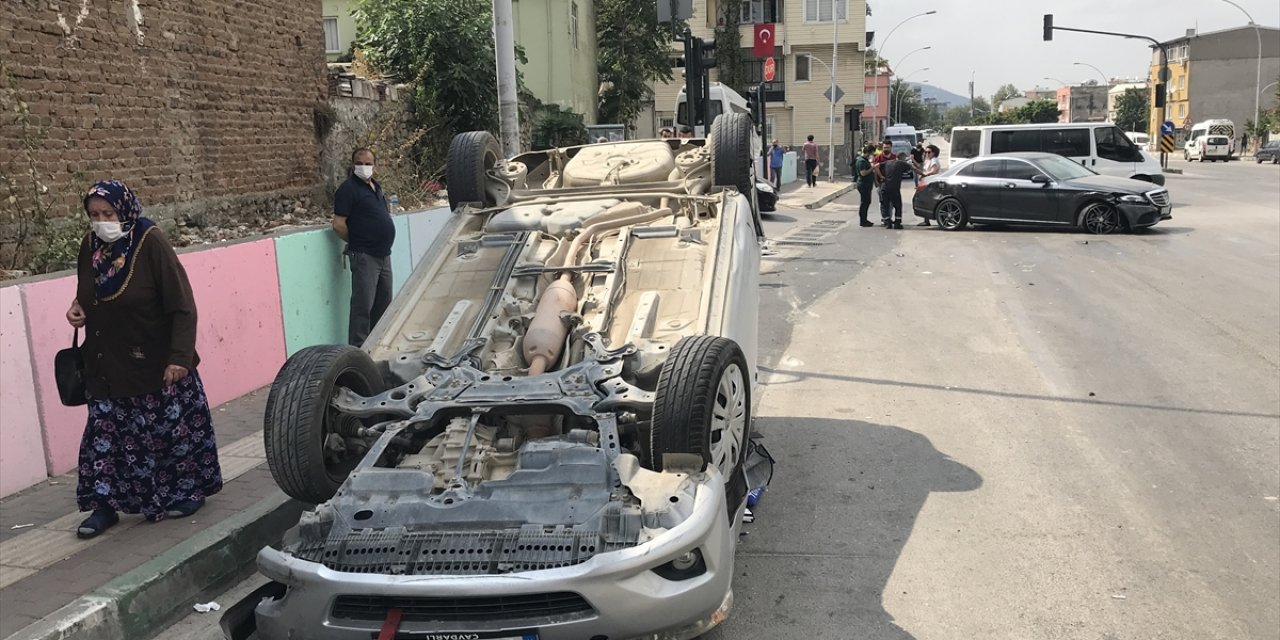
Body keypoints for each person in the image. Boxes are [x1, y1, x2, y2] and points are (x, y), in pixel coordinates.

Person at [65, 180, 223, 538]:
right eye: (94, 215)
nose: (101, 221)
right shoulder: (90, 247)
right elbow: (88, 294)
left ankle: (186, 492)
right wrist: (78, 309)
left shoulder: (150, 242)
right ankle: (103, 507)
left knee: (168, 437)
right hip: (106, 365)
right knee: (104, 438)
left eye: (108, 213)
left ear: (125, 210)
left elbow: (183, 305)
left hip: (155, 364)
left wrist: (179, 358)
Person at [333, 147, 396, 346]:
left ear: (374, 166)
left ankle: (377, 345)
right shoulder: (348, 190)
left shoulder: (377, 188)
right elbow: (338, 224)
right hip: (364, 255)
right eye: (359, 163)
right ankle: (358, 349)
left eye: (368, 164)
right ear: (353, 165)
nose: (363, 167)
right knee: (363, 306)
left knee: (383, 304)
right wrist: (356, 242)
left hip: (384, 255)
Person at [874, 152, 913, 229]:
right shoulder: (902, 163)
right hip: (894, 188)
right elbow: (913, 168)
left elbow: (875, 166)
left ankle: (888, 222)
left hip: (884, 187)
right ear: (904, 159)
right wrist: (923, 173)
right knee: (897, 205)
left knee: (885, 205)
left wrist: (881, 176)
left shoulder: (888, 162)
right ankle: (897, 223)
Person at [914, 145, 943, 226]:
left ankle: (928, 220)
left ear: (934, 153)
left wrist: (924, 174)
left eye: (929, 152)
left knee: (928, 200)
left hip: (931, 183)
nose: (927, 154)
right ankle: (926, 220)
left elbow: (934, 171)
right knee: (925, 200)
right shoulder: (928, 160)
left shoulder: (934, 160)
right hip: (927, 182)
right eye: (925, 152)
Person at [852, 144, 877, 227]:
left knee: (867, 202)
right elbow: (863, 173)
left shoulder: (865, 160)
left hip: (867, 184)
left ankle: (865, 219)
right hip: (863, 184)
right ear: (868, 152)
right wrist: (872, 168)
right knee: (864, 202)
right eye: (871, 153)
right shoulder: (861, 161)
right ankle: (863, 220)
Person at [872, 141, 896, 225]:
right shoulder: (878, 158)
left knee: (891, 202)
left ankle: (889, 217)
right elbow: (875, 170)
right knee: (883, 201)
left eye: (887, 147)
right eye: (884, 147)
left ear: (891, 147)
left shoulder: (894, 157)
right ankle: (884, 218)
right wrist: (876, 181)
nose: (886, 149)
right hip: (881, 183)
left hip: (892, 184)